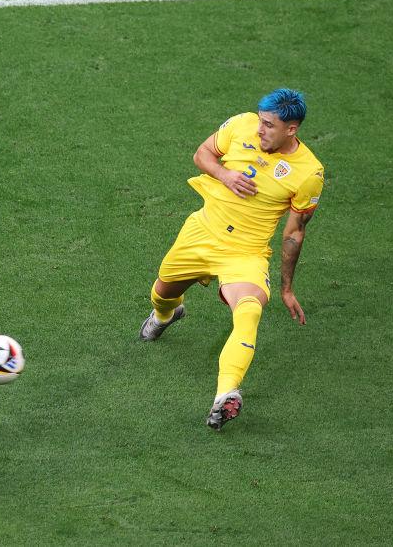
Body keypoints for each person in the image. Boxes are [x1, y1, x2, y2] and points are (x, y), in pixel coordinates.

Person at [139, 88, 324, 430]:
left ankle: (226, 393)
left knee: (249, 311)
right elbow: (202, 154)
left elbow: (294, 233)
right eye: (260, 120)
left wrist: (286, 288)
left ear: (291, 129)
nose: (260, 129)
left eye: (269, 125)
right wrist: (225, 175)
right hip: (202, 233)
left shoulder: (309, 173)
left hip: (246, 252)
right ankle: (166, 314)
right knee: (162, 292)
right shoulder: (241, 125)